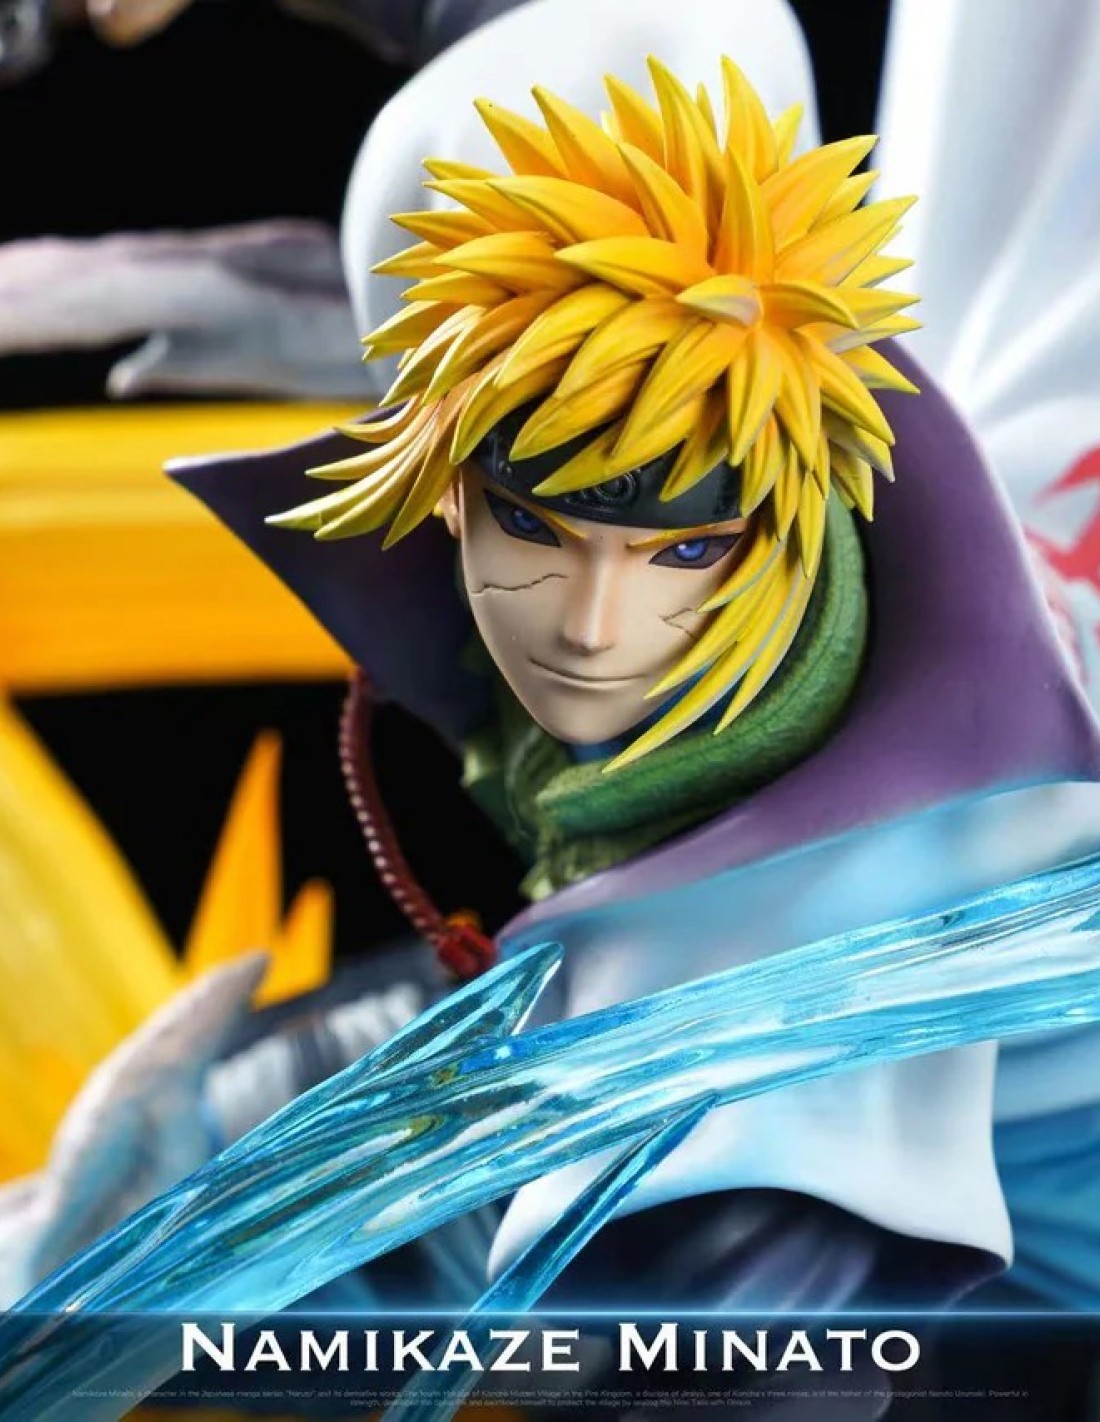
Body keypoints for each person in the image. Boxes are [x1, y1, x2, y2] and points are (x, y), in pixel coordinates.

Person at [172, 46, 1100, 1328]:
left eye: (684, 551)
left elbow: (742, 1324)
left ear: (783, 529)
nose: (592, 629)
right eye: (532, 526)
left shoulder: (798, 948)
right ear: (443, 491)